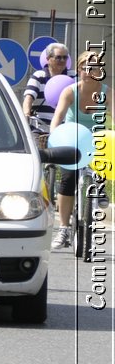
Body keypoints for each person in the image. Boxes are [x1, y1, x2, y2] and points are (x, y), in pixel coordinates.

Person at [48, 49, 106, 249]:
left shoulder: (107, 92)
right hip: (72, 140)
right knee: (67, 179)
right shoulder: (70, 91)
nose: (89, 71)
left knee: (103, 160)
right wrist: (54, 136)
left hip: (96, 140)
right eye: (85, 67)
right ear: (79, 69)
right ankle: (63, 229)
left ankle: (100, 187)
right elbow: (57, 118)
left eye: (95, 67)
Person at [22, 42, 70, 144]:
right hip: (40, 128)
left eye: (65, 58)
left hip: (65, 129)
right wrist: (26, 114)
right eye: (58, 57)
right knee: (38, 153)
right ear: (48, 59)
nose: (62, 60)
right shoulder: (39, 76)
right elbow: (29, 97)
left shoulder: (73, 77)